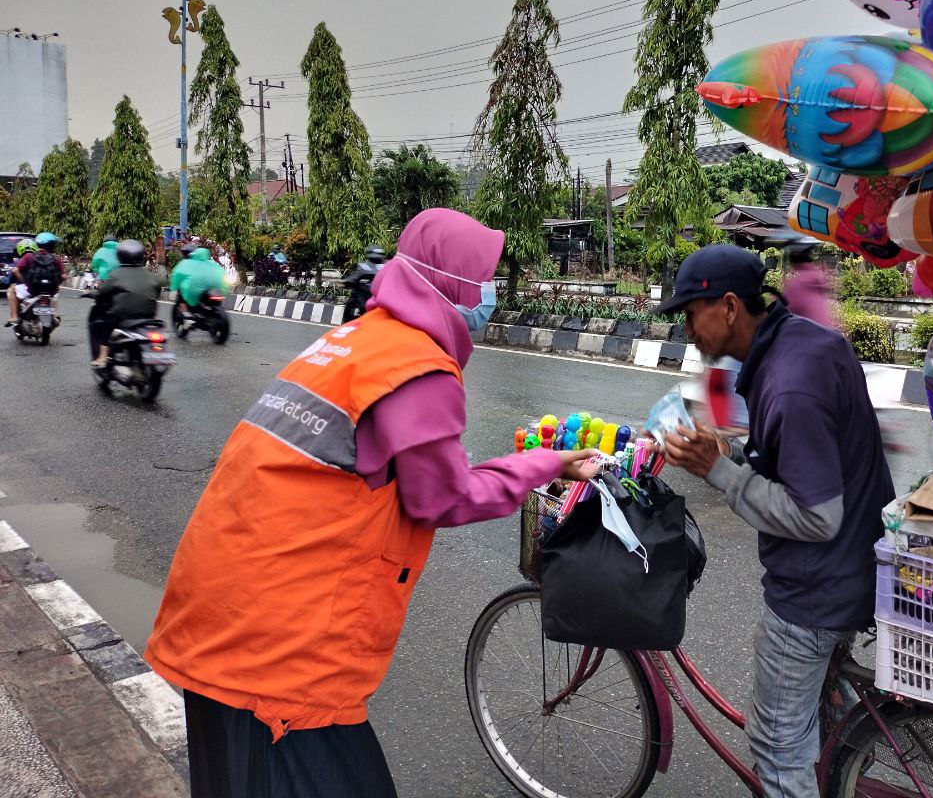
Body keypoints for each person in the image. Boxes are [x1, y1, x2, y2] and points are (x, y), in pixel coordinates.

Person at [144, 208, 598, 798]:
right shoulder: (417, 365)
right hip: (275, 656)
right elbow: (446, 496)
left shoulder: (359, 339)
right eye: (483, 278)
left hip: (224, 613)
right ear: (451, 281)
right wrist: (548, 462)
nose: (490, 293)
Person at [656, 244, 894, 798]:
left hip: (817, 592)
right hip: (854, 565)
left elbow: (815, 517)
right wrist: (735, 457)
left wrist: (721, 473)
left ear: (730, 307)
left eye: (692, 314)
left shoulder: (789, 382)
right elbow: (793, 464)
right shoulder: (804, 344)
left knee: (777, 746)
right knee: (819, 723)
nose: (689, 330)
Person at [90, 239, 163, 367]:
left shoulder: (115, 274)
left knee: (106, 325)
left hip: (122, 317)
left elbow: (103, 294)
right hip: (148, 317)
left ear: (120, 256)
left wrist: (96, 296)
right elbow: (157, 292)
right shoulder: (151, 275)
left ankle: (102, 358)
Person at [6, 233, 63, 326]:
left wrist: (25, 281)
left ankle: (15, 317)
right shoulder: (56, 259)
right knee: (56, 293)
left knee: (12, 290)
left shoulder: (29, 256)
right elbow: (64, 276)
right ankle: (53, 316)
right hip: (51, 290)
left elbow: (15, 270)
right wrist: (55, 284)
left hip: (32, 289)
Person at [780, 237, 836, 329]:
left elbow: (780, 312)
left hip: (810, 339)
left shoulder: (799, 284)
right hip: (827, 337)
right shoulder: (815, 277)